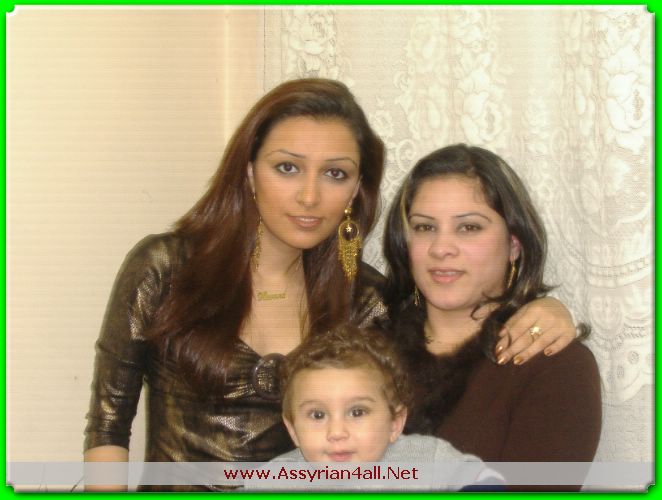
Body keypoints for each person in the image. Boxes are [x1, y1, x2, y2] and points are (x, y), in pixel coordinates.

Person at [83, 79, 579, 491]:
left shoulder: (365, 300)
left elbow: (445, 337)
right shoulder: (167, 267)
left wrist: (543, 309)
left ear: (356, 189)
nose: (309, 195)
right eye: (287, 168)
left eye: (335, 174)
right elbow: (108, 424)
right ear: (249, 173)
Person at [379, 144, 602, 490]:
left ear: (514, 244)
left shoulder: (553, 365)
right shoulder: (364, 352)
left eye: (469, 227)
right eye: (424, 227)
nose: (441, 248)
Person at [249, 323, 504, 491]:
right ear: (293, 430)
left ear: (395, 423)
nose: (336, 432)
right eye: (317, 415)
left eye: (357, 412)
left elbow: (483, 482)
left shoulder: (424, 458)